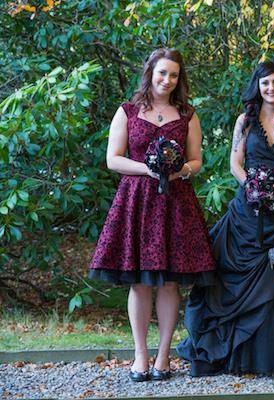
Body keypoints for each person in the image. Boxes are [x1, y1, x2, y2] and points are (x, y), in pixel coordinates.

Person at [177, 60, 274, 378]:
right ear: (257, 85)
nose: (271, 88)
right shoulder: (245, 121)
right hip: (247, 209)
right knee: (233, 277)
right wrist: (253, 186)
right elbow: (235, 163)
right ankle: (236, 355)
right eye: (265, 83)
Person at [89, 48, 216, 382]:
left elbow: (196, 161)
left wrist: (179, 172)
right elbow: (113, 159)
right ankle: (140, 356)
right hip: (137, 203)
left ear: (179, 79)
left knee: (170, 282)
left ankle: (163, 357)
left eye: (173, 75)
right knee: (140, 283)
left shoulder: (187, 114)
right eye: (162, 73)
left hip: (176, 202)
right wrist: (149, 168)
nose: (167, 80)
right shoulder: (128, 111)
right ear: (150, 73)